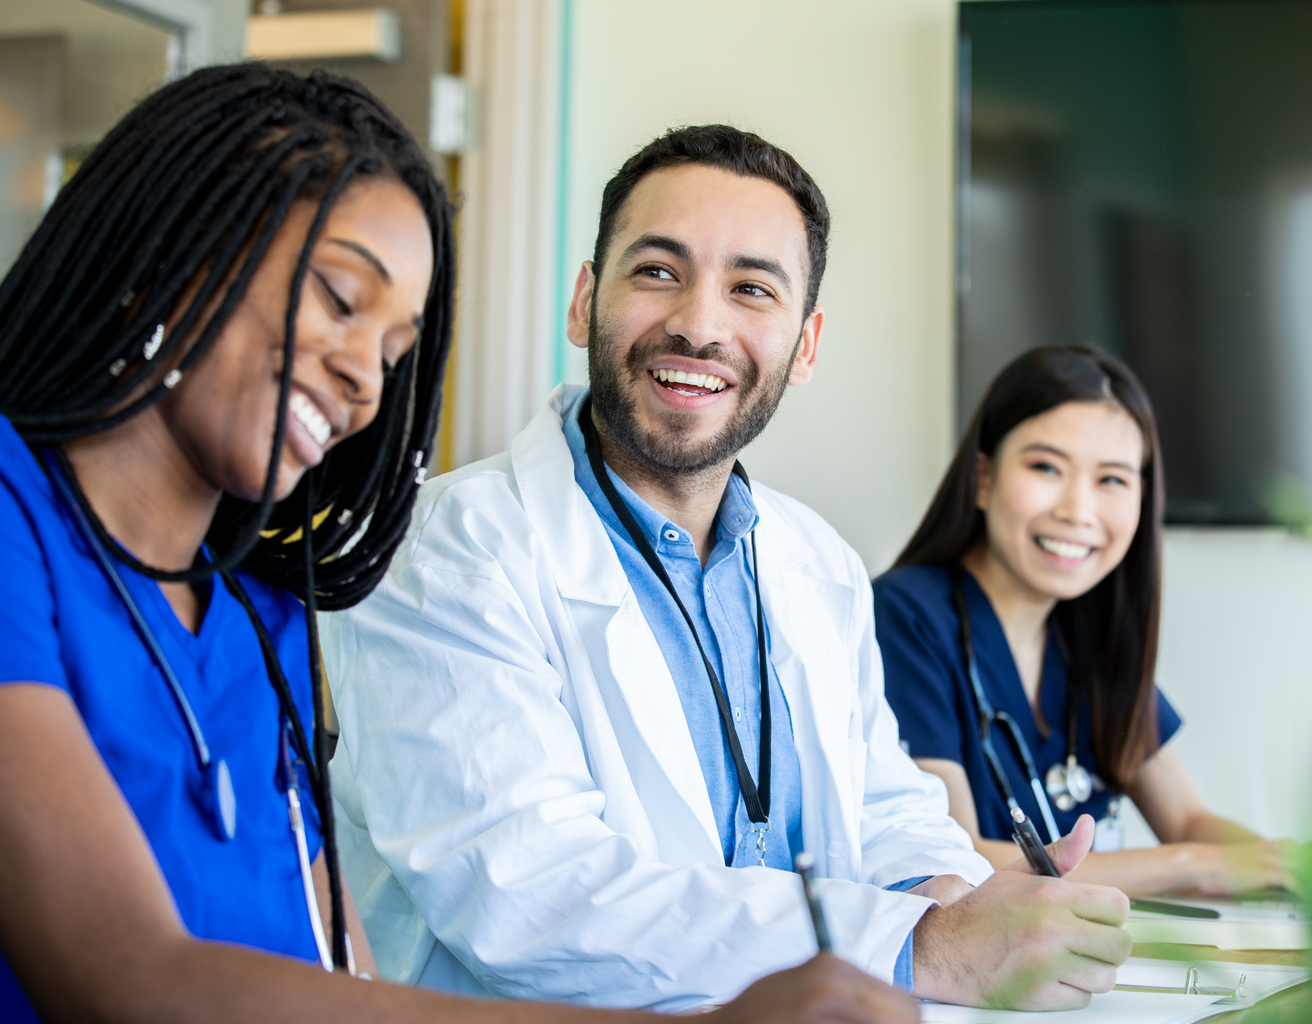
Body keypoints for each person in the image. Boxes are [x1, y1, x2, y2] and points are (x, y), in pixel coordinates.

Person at [0, 65, 913, 1024]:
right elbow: (131, 980)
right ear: (174, 244)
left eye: (398, 348)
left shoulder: (253, 611)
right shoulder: (21, 529)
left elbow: (335, 978)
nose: (364, 375)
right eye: (341, 300)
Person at [319, 125, 1133, 1015]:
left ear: (806, 345)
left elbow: (879, 802)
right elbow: (527, 896)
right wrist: (920, 946)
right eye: (657, 271)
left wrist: (950, 892)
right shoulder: (443, 550)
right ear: (585, 302)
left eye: (751, 288)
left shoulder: (817, 561)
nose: (699, 324)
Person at [874, 346, 1295, 897]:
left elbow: (1190, 823)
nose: (1078, 510)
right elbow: (958, 852)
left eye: (1112, 480)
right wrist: (1193, 865)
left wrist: (1299, 868)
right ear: (982, 478)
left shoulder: (1093, 636)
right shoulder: (905, 615)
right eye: (1046, 467)